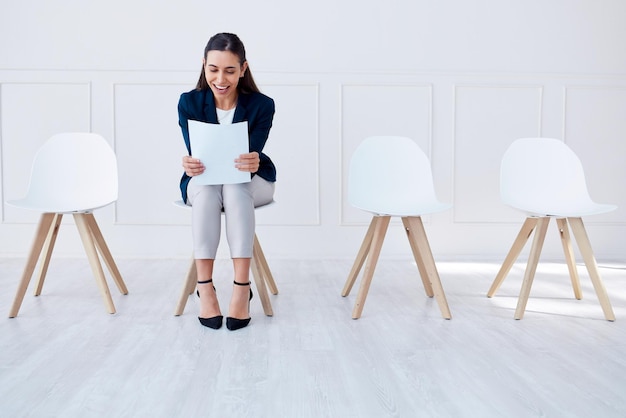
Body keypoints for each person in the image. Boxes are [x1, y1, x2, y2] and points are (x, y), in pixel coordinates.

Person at [178, 33, 276, 331]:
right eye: (213, 69)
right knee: (208, 193)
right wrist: (190, 163)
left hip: (251, 182)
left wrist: (253, 159)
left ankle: (240, 288)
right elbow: (198, 154)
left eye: (230, 71)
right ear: (204, 66)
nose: (221, 79)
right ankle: (204, 287)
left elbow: (252, 154)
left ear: (243, 69)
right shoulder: (189, 102)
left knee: (234, 188)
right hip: (205, 182)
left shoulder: (262, 105)